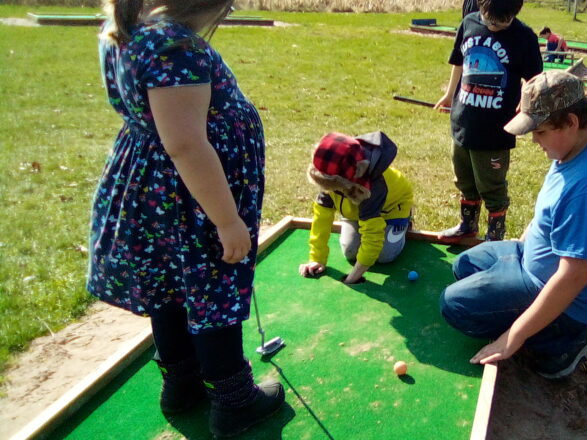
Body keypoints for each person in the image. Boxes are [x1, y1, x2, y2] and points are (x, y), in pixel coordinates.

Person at [88, 0, 284, 436]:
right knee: (213, 285)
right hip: (191, 196)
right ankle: (235, 402)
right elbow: (187, 146)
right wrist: (227, 220)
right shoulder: (175, 48)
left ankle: (182, 384)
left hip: (158, 187)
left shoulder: (131, 27)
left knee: (173, 285)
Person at [439, 70, 587, 379]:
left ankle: (566, 341)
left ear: (571, 122)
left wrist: (512, 336)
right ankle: (530, 314)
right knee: (464, 265)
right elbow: (549, 208)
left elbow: (573, 277)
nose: (534, 140)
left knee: (456, 305)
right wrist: (525, 242)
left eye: (541, 131)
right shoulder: (578, 146)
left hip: (572, 302)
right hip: (532, 261)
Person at [434, 0, 543, 242]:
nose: (495, 27)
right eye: (491, 21)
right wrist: (450, 94)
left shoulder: (524, 37)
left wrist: (526, 104)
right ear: (481, 7)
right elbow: (459, 61)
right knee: (463, 178)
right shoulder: (469, 23)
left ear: (515, 12)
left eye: (503, 22)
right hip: (464, 120)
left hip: (496, 128)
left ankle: (495, 236)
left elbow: (534, 79)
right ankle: (468, 225)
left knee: (492, 185)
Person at [299, 132, 414, 284]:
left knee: (385, 256)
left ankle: (405, 223)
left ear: (344, 180)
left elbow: (372, 235)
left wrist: (354, 276)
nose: (327, 190)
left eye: (333, 187)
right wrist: (317, 258)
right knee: (350, 252)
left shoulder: (373, 187)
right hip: (355, 210)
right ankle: (356, 218)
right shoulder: (329, 174)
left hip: (391, 209)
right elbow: (321, 218)